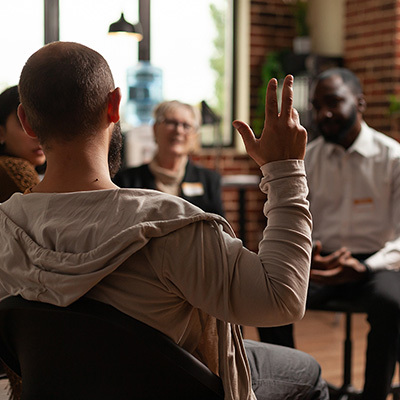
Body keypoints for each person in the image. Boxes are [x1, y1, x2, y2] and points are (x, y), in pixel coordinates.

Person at [0, 41, 328, 400]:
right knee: (306, 372)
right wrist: (285, 172)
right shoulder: (171, 225)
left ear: (27, 122)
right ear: (114, 106)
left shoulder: (4, 228)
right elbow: (282, 299)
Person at [259, 67, 400, 400]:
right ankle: (293, 390)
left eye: (334, 102)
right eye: (319, 105)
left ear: (360, 103)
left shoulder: (393, 158)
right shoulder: (308, 157)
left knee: (392, 303)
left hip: (377, 263)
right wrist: (307, 255)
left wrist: (366, 267)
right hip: (320, 260)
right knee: (267, 296)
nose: (324, 114)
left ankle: (374, 395)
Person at [114, 100, 224, 215]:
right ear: (155, 129)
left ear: (195, 136)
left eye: (186, 126)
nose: (178, 130)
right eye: (171, 122)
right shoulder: (126, 181)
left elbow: (218, 230)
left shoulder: (209, 181)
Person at [0, 86, 46, 202]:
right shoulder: (15, 170)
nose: (39, 135)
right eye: (27, 125)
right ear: (1, 133)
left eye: (46, 124)